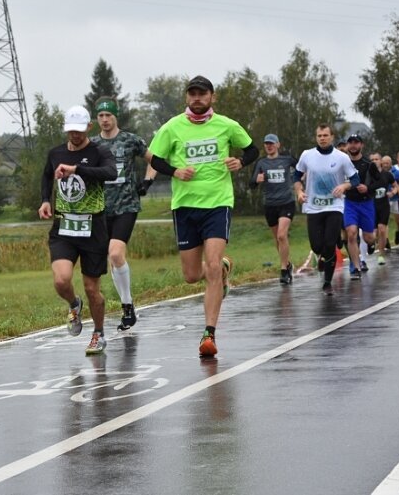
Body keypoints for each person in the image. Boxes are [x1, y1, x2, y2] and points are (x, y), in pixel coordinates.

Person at [148, 75, 258, 357]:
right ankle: (223, 267)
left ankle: (209, 335)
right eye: (192, 94)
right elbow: (153, 157)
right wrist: (175, 171)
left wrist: (240, 161)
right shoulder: (172, 127)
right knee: (191, 275)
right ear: (187, 97)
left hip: (218, 202)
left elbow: (252, 148)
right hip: (184, 206)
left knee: (208, 269)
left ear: (212, 96)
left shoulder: (227, 125)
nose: (197, 98)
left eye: (202, 93)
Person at [38, 105, 116, 355]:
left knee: (93, 289)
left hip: (93, 227)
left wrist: (77, 169)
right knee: (61, 280)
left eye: (79, 130)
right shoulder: (56, 153)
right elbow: (47, 175)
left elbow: (110, 172)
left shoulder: (99, 152)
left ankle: (98, 333)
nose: (75, 135)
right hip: (64, 227)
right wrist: (45, 200)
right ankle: (74, 303)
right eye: (71, 131)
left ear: (88, 128)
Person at [91, 96, 157, 330]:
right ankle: (126, 303)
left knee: (116, 253)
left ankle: (128, 306)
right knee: (111, 258)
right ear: (96, 118)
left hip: (127, 205)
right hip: (100, 209)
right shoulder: (91, 145)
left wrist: (147, 182)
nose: (105, 120)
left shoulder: (130, 141)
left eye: (109, 115)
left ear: (116, 116)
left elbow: (155, 160)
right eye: (101, 116)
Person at [293, 124, 359, 295]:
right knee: (316, 245)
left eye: (325, 135)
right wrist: (299, 191)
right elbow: (296, 175)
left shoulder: (341, 157)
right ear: (316, 137)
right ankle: (322, 256)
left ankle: (327, 283)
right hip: (313, 206)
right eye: (319, 135)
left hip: (334, 206)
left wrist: (344, 186)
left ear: (332, 137)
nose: (322, 138)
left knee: (330, 244)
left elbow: (355, 179)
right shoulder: (307, 155)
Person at [249, 133, 297, 284]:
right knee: (278, 238)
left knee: (282, 236)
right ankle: (288, 264)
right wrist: (257, 180)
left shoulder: (287, 159)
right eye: (266, 144)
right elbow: (251, 184)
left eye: (271, 143)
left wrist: (301, 181)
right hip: (270, 204)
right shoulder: (261, 163)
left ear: (278, 145)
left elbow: (302, 169)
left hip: (286, 202)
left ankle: (283, 270)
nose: (269, 146)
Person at [342, 134, 379, 279]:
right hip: (350, 202)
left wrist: (368, 188)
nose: (353, 146)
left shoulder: (369, 164)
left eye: (356, 143)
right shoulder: (343, 163)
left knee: (369, 237)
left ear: (361, 145)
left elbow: (380, 182)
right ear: (347, 146)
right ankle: (356, 269)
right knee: (351, 233)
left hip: (366, 203)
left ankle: (371, 244)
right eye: (350, 143)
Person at [368, 152, 398, 264]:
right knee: (373, 233)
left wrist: (392, 192)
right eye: (372, 160)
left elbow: (396, 186)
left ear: (381, 161)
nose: (374, 161)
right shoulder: (368, 176)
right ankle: (371, 243)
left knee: (381, 229)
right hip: (371, 206)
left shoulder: (387, 175)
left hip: (384, 205)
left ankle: (380, 254)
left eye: (376, 159)